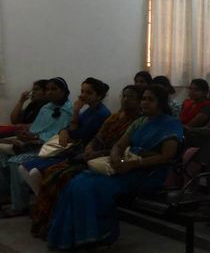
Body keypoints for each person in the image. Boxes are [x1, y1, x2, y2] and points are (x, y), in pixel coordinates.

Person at [46, 85, 183, 250]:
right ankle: (72, 236)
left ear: (161, 103)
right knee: (78, 182)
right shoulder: (140, 122)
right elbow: (119, 145)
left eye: (150, 100)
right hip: (125, 167)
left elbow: (166, 157)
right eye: (143, 99)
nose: (145, 103)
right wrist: (115, 157)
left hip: (148, 173)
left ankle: (99, 234)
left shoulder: (170, 124)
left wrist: (133, 164)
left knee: (92, 187)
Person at [30, 85, 141, 238]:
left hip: (109, 161)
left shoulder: (137, 121)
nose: (125, 100)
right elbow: (97, 137)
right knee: (52, 172)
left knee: (64, 177)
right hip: (91, 156)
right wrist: (90, 148)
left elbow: (127, 149)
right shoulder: (114, 117)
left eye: (131, 97)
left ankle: (63, 228)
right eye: (124, 96)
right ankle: (48, 223)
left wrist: (95, 153)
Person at [15, 78, 112, 212]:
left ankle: (49, 205)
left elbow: (79, 133)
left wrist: (74, 114)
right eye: (82, 91)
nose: (83, 95)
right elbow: (69, 129)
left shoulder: (101, 113)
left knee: (35, 172)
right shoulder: (89, 110)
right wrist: (65, 131)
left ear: (99, 96)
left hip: (82, 154)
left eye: (88, 93)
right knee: (24, 168)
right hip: (70, 150)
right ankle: (46, 204)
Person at [0, 78, 74, 215]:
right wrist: (27, 136)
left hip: (51, 150)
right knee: (2, 155)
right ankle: (6, 195)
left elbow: (57, 138)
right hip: (35, 144)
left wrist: (33, 139)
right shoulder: (46, 107)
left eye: (54, 89)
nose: (49, 92)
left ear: (64, 91)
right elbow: (37, 129)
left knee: (14, 162)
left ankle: (19, 206)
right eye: (47, 89)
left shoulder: (69, 111)